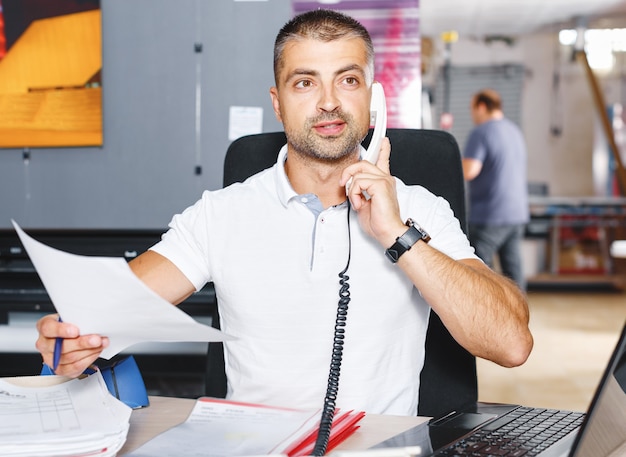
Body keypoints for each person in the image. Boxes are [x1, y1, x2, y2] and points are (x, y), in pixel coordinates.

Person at [35, 10, 533, 416]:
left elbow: (511, 343)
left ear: (373, 98)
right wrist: (67, 340)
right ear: (278, 103)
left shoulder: (419, 209)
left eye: (349, 79)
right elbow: (104, 317)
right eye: (305, 83)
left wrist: (397, 235)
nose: (330, 102)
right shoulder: (221, 214)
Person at [462, 89, 530, 291]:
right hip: (516, 213)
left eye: (472, 109)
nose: (472, 114)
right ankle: (519, 317)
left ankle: (484, 319)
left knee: (478, 269)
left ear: (482, 107)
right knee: (513, 271)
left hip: (490, 214)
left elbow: (470, 170)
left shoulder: (481, 132)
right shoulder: (514, 131)